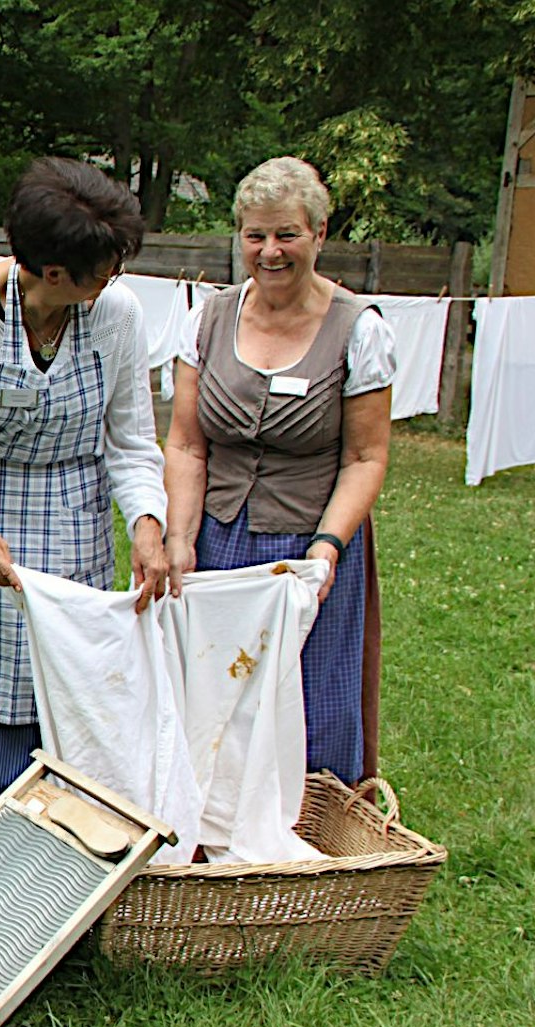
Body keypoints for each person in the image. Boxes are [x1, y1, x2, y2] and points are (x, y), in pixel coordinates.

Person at [0, 156, 169, 875]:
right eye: (99, 271)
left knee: (65, 699)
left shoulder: (115, 316)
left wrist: (146, 523)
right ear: (52, 272)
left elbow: (131, 440)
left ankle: (52, 864)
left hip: (74, 529)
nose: (109, 282)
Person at [163, 156, 393, 784]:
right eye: (255, 235)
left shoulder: (357, 329)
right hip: (219, 540)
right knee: (216, 699)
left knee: (310, 699)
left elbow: (365, 457)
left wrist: (327, 546)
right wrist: (180, 536)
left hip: (309, 545)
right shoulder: (206, 319)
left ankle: (316, 839)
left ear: (319, 234)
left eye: (286, 234)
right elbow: (186, 444)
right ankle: (215, 845)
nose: (270, 251)